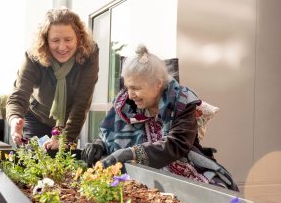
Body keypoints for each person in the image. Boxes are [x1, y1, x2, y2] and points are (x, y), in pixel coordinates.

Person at [81, 45, 238, 191]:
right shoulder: (123, 104)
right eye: (128, 87)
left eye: (136, 88)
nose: (130, 95)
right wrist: (98, 145)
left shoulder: (182, 102)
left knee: (217, 190)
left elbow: (176, 144)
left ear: (157, 84)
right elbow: (107, 133)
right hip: (135, 171)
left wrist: (128, 153)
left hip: (179, 164)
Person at [6, 8, 99, 149]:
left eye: (68, 39)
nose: (62, 47)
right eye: (55, 40)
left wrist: (65, 139)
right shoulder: (33, 55)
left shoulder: (89, 54)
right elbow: (18, 95)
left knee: (62, 165)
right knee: (34, 161)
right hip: (36, 117)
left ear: (79, 38)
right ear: (46, 40)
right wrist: (14, 121)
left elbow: (82, 102)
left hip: (69, 122)